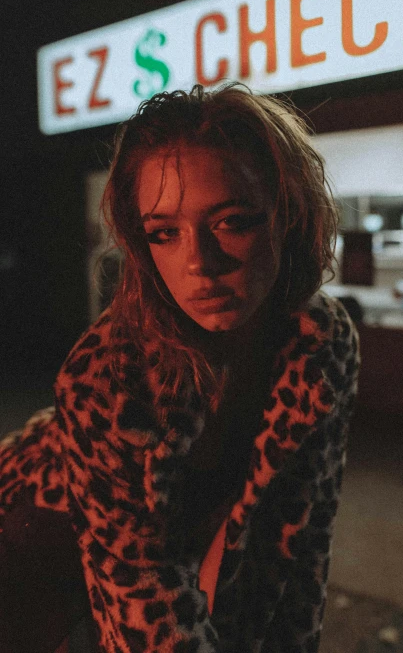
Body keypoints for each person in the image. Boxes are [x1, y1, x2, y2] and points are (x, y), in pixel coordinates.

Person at [0, 83, 359, 653]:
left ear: (288, 216)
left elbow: (300, 546)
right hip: (30, 546)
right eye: (164, 232)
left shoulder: (322, 342)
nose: (198, 263)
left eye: (230, 221)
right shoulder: (108, 372)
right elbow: (143, 600)